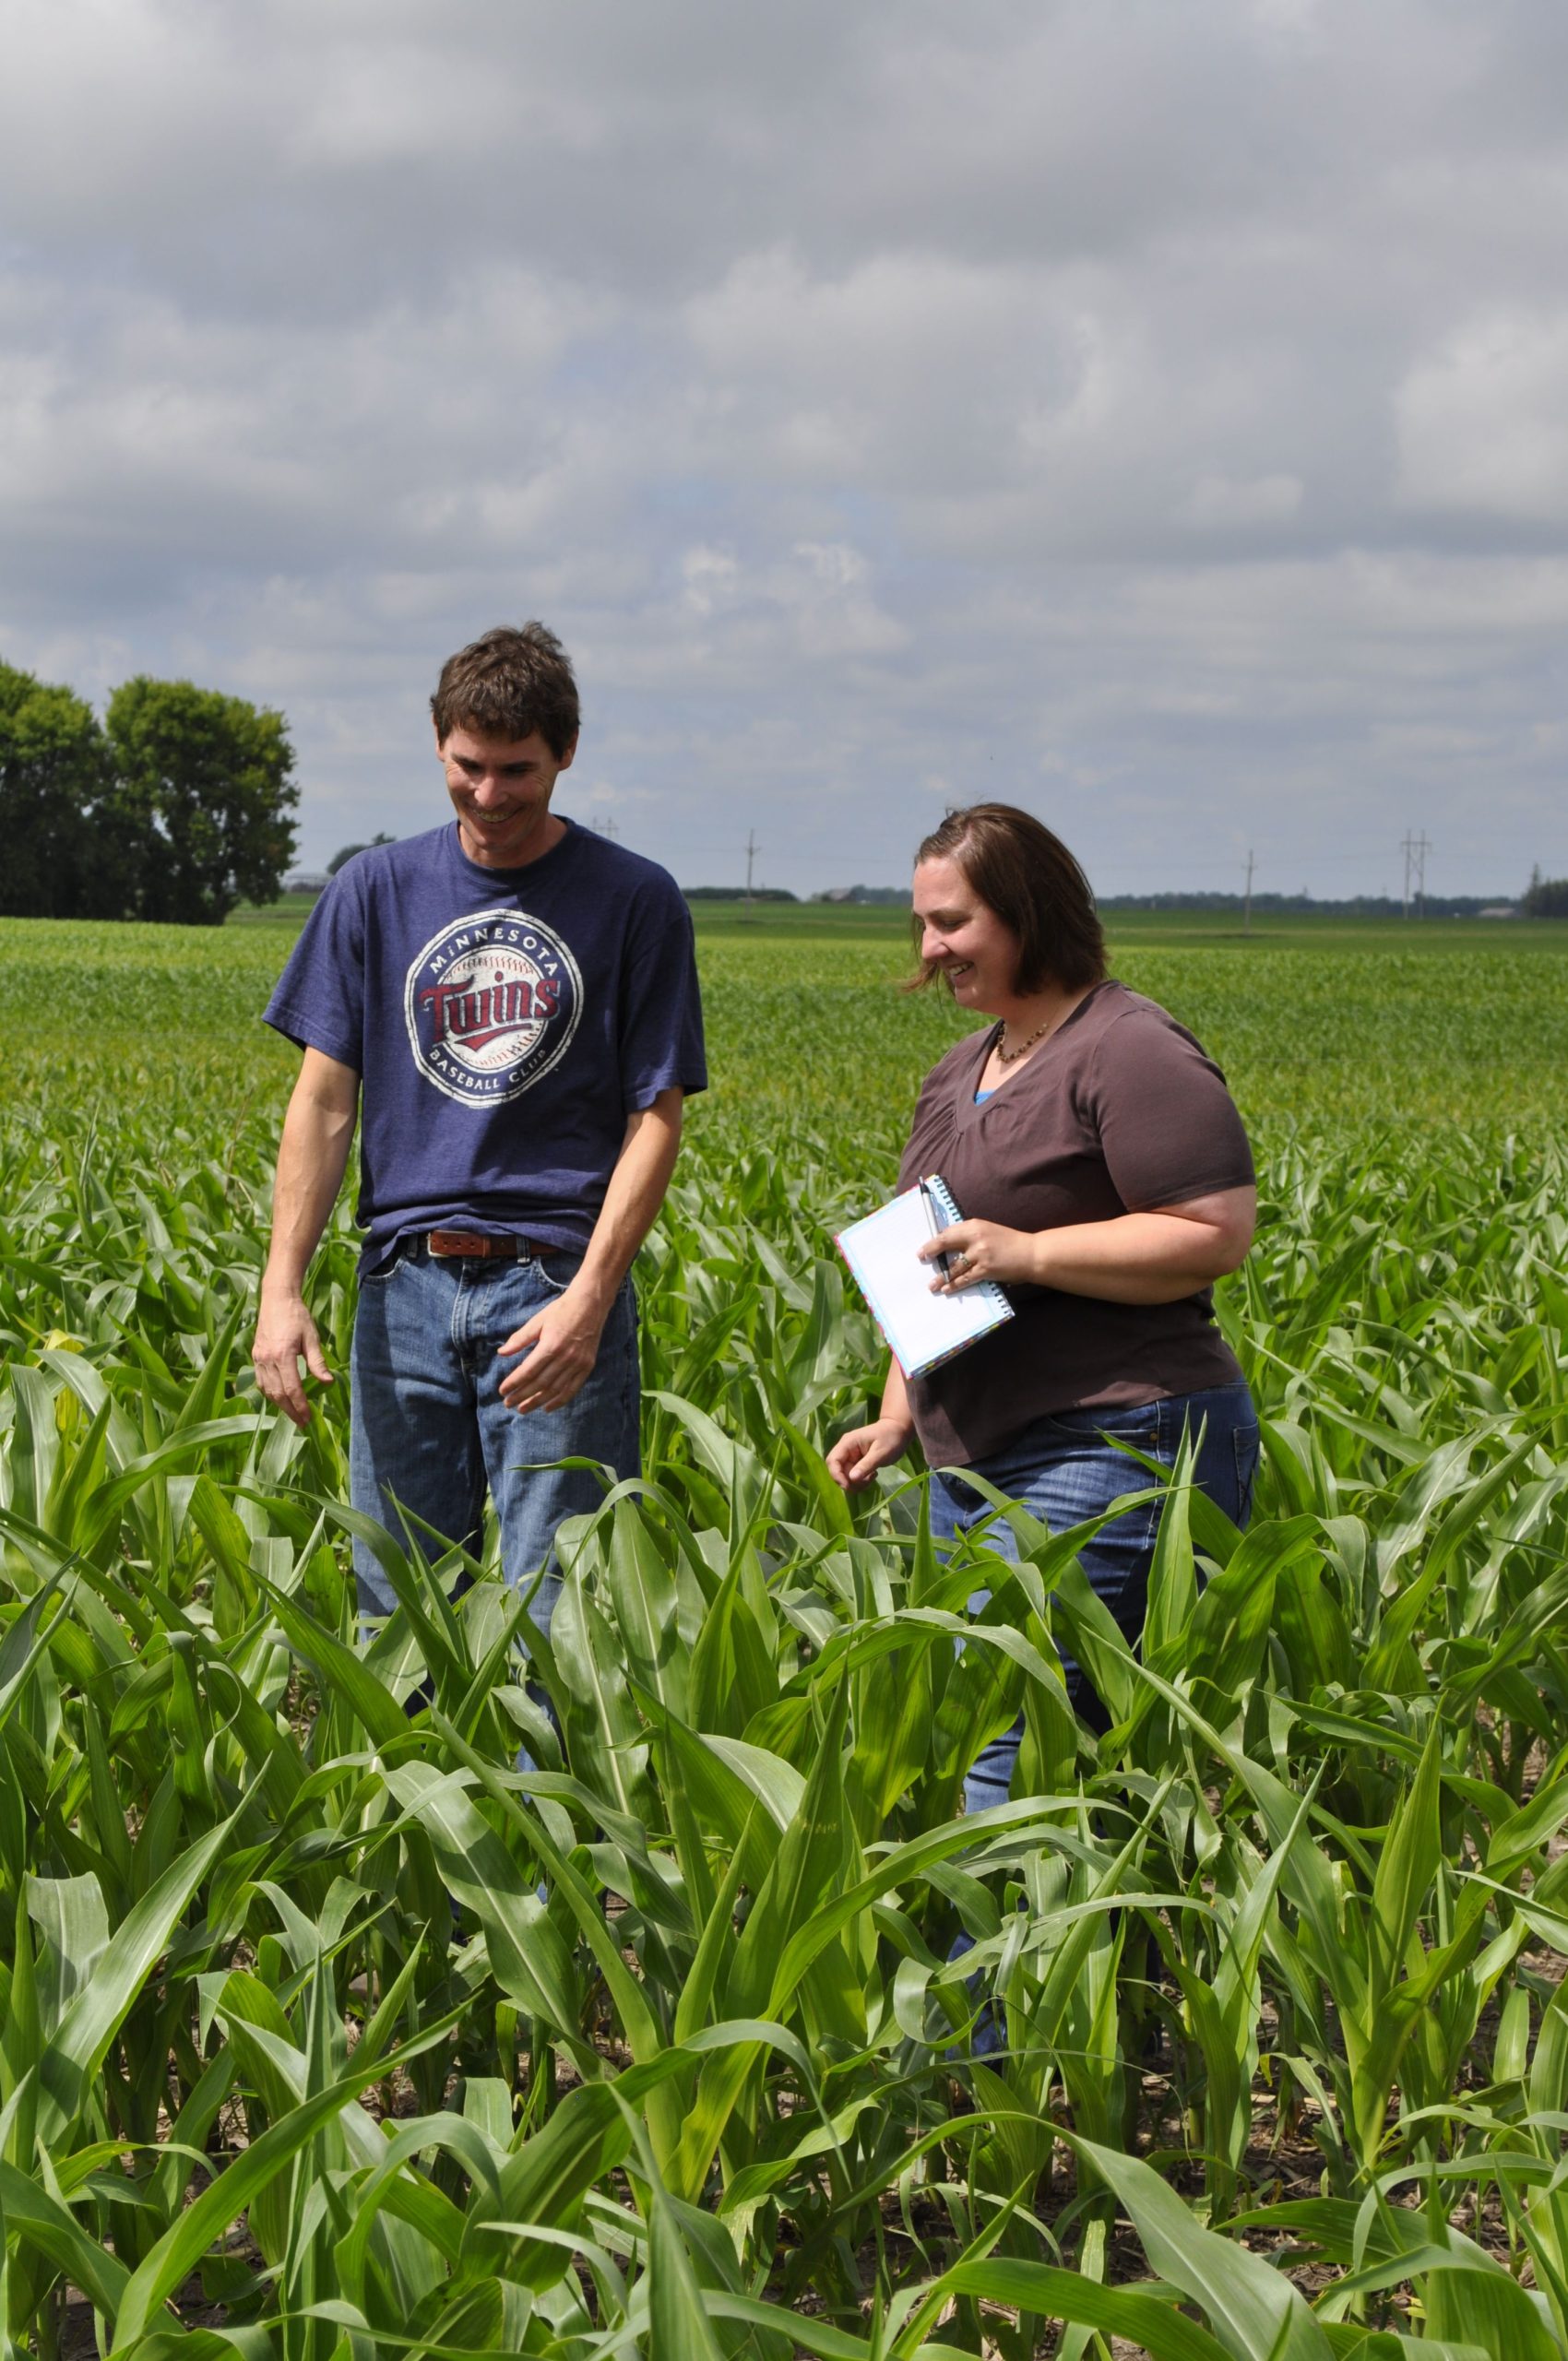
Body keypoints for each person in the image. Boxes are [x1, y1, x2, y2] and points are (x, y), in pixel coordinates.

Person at [253, 622, 707, 1652]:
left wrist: (591, 1300)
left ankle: (555, 1815)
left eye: (519, 772)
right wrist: (281, 1291)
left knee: (561, 1608)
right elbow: (323, 1102)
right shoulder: (374, 889)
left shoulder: (633, 900)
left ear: (567, 753)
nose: (491, 797)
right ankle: (412, 1816)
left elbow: (656, 1116)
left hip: (548, 1283)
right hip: (401, 1284)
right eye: (469, 768)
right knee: (397, 1599)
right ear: (436, 742)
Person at [826, 802, 1257, 1808]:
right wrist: (896, 1408)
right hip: (974, 1455)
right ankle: (1089, 1956)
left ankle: (1001, 1970)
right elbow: (934, 1251)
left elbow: (1212, 1231)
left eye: (953, 923)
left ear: (1027, 912)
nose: (931, 949)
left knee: (1016, 1751)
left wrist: (1028, 1252)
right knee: (985, 1719)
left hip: (1114, 1435)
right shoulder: (960, 1070)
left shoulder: (1127, 1048)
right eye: (922, 925)